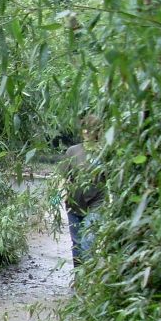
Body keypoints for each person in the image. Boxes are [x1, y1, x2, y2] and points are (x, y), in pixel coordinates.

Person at [61, 114, 105, 266]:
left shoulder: (104, 153)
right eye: (85, 129)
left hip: (97, 204)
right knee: (77, 244)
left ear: (98, 131)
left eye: (91, 130)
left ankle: (89, 277)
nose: (87, 133)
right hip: (73, 205)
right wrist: (54, 201)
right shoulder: (72, 151)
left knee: (88, 241)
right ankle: (79, 279)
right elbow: (63, 179)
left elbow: (110, 180)